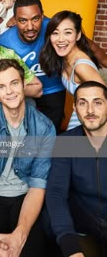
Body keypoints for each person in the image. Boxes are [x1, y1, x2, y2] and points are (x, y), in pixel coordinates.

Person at [0, 58, 56, 257]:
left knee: (30, 251)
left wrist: (20, 235)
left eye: (14, 83)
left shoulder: (44, 128)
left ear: (24, 83)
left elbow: (37, 185)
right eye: (1, 87)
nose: (9, 92)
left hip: (26, 197)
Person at [46, 81, 107, 257]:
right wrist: (70, 245)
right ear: (75, 107)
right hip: (82, 227)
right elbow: (56, 193)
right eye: (82, 103)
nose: (90, 110)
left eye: (97, 102)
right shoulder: (67, 142)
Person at [0, 0, 66, 133]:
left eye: (35, 19)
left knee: (51, 134)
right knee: (23, 135)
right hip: (23, 92)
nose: (30, 27)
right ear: (14, 20)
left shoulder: (54, 28)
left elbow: (79, 39)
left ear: (42, 16)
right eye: (23, 20)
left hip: (53, 89)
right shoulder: (4, 41)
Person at [40, 10, 106, 130]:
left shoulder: (81, 66)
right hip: (78, 118)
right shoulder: (64, 58)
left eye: (68, 33)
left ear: (78, 35)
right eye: (55, 33)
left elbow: (104, 99)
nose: (60, 39)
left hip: (89, 124)